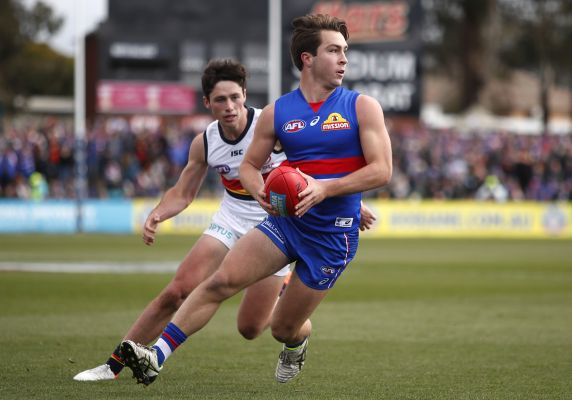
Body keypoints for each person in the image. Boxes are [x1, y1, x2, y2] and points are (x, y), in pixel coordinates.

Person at [119, 13, 391, 386]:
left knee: (280, 327)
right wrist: (262, 191)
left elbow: (382, 171)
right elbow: (249, 166)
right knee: (219, 282)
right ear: (307, 59)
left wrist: (326, 188)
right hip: (286, 224)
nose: (344, 59)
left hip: (333, 236)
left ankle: (297, 343)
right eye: (334, 50)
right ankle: (156, 358)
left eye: (345, 51)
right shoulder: (280, 112)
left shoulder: (362, 107)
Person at [72, 59, 293, 381]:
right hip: (231, 220)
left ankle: (291, 313)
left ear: (245, 94)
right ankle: (113, 365)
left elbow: (315, 165)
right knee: (177, 291)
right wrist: (158, 213)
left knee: (250, 327)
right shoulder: (205, 142)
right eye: (220, 100)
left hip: (274, 228)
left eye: (235, 97)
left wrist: (348, 204)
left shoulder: (271, 126)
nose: (229, 106)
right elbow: (183, 192)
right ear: (207, 103)